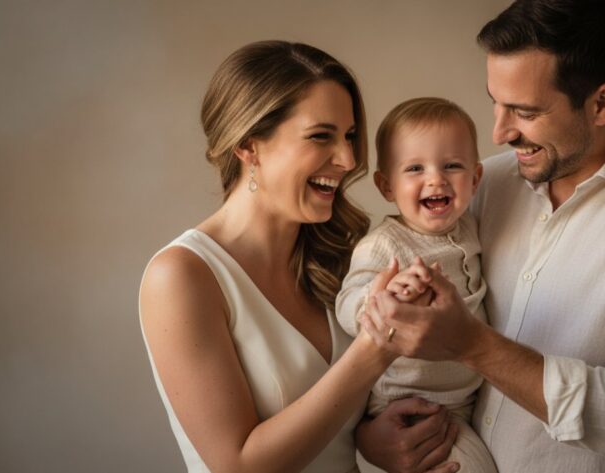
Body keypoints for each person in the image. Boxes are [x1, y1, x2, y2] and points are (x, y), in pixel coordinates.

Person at [356, 1, 605, 472]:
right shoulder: (486, 185)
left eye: (524, 111)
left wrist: (472, 345)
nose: (500, 132)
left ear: (602, 103)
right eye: (495, 103)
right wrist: (368, 435)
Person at [138, 41, 458, 473]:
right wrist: (374, 349)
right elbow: (238, 465)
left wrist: (367, 438)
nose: (347, 159)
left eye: (348, 136)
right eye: (320, 136)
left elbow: (334, 416)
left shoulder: (344, 258)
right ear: (249, 145)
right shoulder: (181, 276)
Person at [336, 98, 496, 473]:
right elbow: (348, 300)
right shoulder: (385, 245)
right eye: (415, 168)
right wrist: (379, 301)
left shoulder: (471, 227)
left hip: (461, 400)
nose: (435, 179)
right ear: (386, 185)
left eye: (452, 166)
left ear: (475, 178)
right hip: (408, 403)